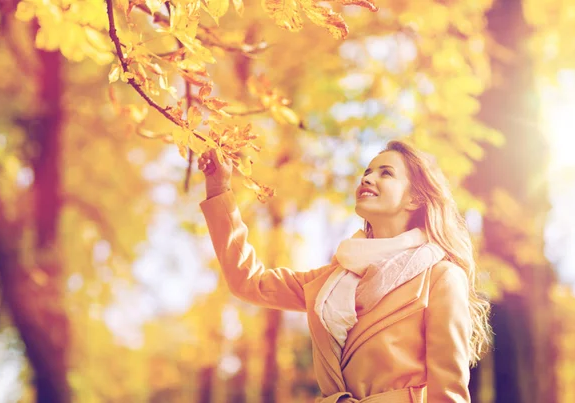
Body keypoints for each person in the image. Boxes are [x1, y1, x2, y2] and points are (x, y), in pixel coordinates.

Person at [197, 140, 491, 403]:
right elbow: (250, 283)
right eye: (367, 171)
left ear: (414, 199)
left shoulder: (441, 277)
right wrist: (218, 189)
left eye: (385, 173)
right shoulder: (333, 281)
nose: (368, 178)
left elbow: (449, 392)